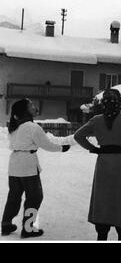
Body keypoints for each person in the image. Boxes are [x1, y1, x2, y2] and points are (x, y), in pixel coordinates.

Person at [74, 89, 121, 241]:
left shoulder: (96, 120)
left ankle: (102, 234)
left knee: (103, 197)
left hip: (103, 162)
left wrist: (92, 148)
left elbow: (78, 135)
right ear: (119, 102)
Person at [1, 98, 70, 238]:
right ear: (25, 110)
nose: (34, 107)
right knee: (35, 197)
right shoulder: (32, 127)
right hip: (28, 166)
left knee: (14, 196)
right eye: (31, 105)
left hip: (14, 166)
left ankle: (6, 224)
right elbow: (47, 145)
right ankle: (28, 228)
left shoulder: (14, 126)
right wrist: (62, 148)